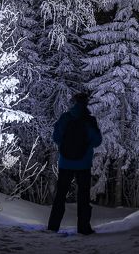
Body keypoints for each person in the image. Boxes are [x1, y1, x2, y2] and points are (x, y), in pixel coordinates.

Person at [47, 91, 102, 234]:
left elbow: (56, 137)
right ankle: (83, 228)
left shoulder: (65, 118)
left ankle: (53, 227)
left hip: (65, 163)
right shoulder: (90, 120)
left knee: (60, 195)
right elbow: (97, 141)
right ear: (86, 104)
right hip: (83, 164)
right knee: (83, 196)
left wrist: (65, 147)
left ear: (73, 102)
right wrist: (86, 145)